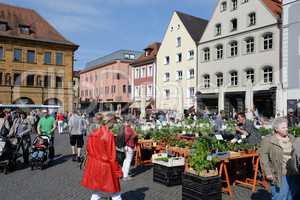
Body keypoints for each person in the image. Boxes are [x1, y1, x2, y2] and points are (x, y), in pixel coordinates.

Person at [81, 113, 123, 200]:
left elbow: (88, 149)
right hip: (105, 167)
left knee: (97, 191)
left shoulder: (94, 133)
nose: (114, 125)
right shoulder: (109, 135)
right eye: (114, 122)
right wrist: (117, 171)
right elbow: (112, 156)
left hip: (93, 165)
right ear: (110, 122)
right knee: (115, 193)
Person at [259, 117, 300, 200]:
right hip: (279, 173)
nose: (286, 129)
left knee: (292, 195)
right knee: (280, 196)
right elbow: (263, 156)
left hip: (293, 172)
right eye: (283, 127)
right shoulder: (268, 140)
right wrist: (268, 172)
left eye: (287, 127)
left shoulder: (291, 137)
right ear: (276, 129)